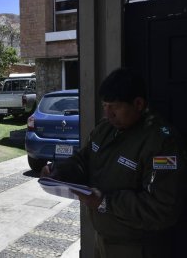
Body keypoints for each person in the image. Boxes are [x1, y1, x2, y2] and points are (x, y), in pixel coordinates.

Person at [41, 68, 187, 258]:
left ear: (138, 104)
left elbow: (163, 208)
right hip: (102, 240)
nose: (108, 113)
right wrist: (59, 171)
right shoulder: (105, 130)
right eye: (105, 106)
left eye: (115, 107)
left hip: (137, 247)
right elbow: (84, 160)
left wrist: (105, 202)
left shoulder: (161, 142)